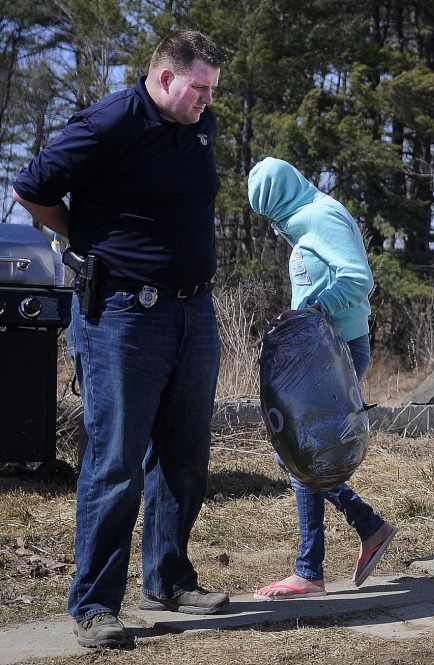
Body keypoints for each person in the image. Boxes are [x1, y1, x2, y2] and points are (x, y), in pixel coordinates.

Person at [11, 31, 230, 647]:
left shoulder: (199, 124)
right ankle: (94, 605)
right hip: (123, 314)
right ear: (164, 78)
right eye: (199, 88)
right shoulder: (108, 121)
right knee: (116, 463)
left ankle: (167, 578)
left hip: (194, 310)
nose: (207, 101)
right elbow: (31, 186)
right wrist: (81, 237)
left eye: (213, 90)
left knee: (184, 457)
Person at [247, 157, 397, 599]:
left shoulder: (321, 215)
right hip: (321, 347)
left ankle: (319, 563)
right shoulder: (307, 217)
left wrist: (312, 312)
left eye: (274, 214)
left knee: (299, 455)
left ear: (281, 197)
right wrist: (297, 317)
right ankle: (355, 536)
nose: (275, 226)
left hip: (339, 349)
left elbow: (357, 279)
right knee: (297, 453)